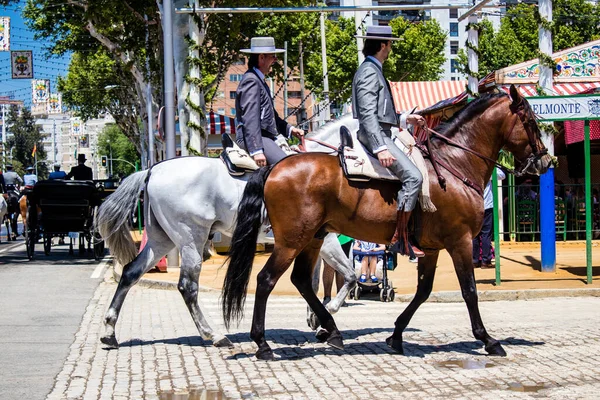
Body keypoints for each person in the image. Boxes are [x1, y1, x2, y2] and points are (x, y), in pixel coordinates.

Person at [352, 25, 425, 258]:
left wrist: (404, 117)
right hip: (376, 135)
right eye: (390, 43)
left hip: (383, 131)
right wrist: (380, 146)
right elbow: (367, 113)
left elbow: (381, 110)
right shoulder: (370, 71)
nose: (391, 47)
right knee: (414, 177)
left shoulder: (374, 68)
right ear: (383, 45)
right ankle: (400, 238)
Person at [235, 36, 304, 167]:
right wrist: (256, 149)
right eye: (272, 56)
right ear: (261, 58)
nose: (275, 60)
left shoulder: (259, 80)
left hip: (264, 137)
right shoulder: (252, 80)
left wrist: (290, 129)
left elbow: (271, 116)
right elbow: (250, 117)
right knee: (288, 168)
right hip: (256, 138)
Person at [473, 168, 506, 269]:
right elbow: (502, 175)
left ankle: (474, 260)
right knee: (486, 234)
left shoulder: (472, 171)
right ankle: (485, 261)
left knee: (475, 235)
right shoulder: (488, 171)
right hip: (486, 206)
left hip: (474, 206)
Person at [322, 234, 354, 305]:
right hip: (328, 237)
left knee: (342, 267)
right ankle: (327, 297)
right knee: (328, 266)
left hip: (344, 237)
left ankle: (340, 298)